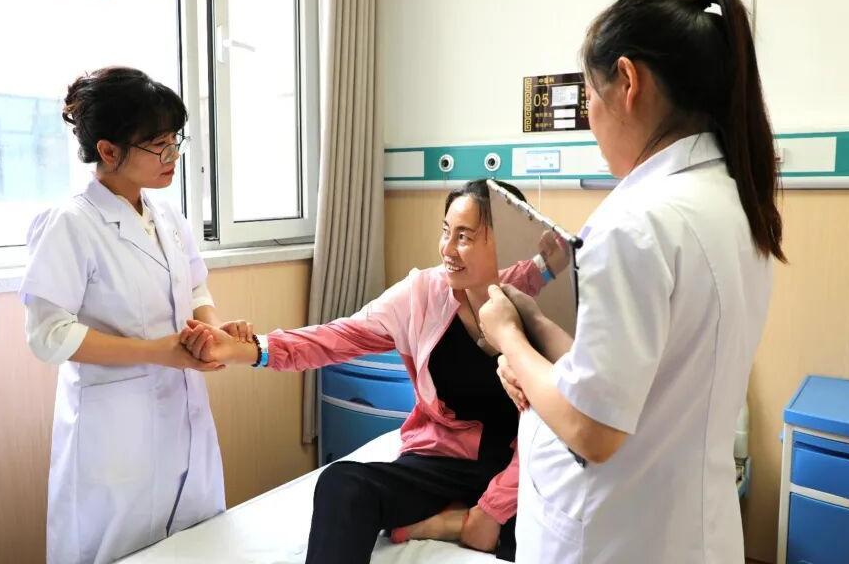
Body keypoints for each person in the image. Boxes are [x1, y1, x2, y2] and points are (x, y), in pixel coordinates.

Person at [479, 0, 785, 563]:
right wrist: (539, 329)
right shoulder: (735, 202)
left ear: (627, 81)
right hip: (689, 529)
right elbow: (640, 367)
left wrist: (508, 337)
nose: (591, 121)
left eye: (589, 96)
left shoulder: (634, 224)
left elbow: (592, 430)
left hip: (614, 536)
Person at [181, 179, 567, 563]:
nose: (447, 249)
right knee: (343, 486)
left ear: (503, 242)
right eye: (445, 231)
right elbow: (337, 337)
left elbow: (552, 422)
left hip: (520, 463)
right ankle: (453, 517)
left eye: (464, 237)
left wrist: (491, 510)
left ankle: (448, 522)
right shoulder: (422, 295)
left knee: (555, 531)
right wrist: (250, 349)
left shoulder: (537, 302)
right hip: (442, 459)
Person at [20, 66, 243, 563]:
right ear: (108, 150)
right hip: (114, 433)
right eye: (158, 144)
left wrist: (212, 329)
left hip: (182, 413)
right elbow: (49, 335)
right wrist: (158, 352)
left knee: (195, 545)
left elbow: (193, 285)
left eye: (175, 140)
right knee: (116, 550)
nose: (173, 155)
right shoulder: (70, 223)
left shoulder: (168, 217)